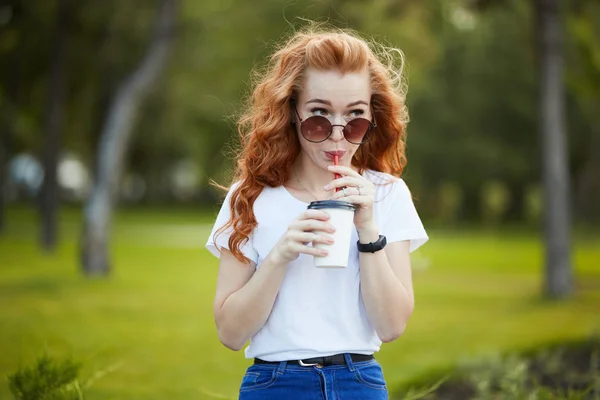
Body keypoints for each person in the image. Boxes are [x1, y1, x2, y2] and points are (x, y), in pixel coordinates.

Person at [206, 25, 428, 400]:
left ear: (371, 118)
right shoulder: (250, 197)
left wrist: (368, 228)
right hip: (275, 384)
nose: (337, 136)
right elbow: (230, 333)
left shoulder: (387, 194)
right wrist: (279, 256)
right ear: (291, 112)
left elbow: (391, 326)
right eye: (319, 117)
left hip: (359, 383)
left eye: (355, 118)